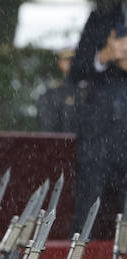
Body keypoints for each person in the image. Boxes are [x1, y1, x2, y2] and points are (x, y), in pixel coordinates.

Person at [69, 0, 127, 233]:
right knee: (86, 215)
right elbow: (76, 69)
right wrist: (104, 56)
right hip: (98, 136)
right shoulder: (100, 17)